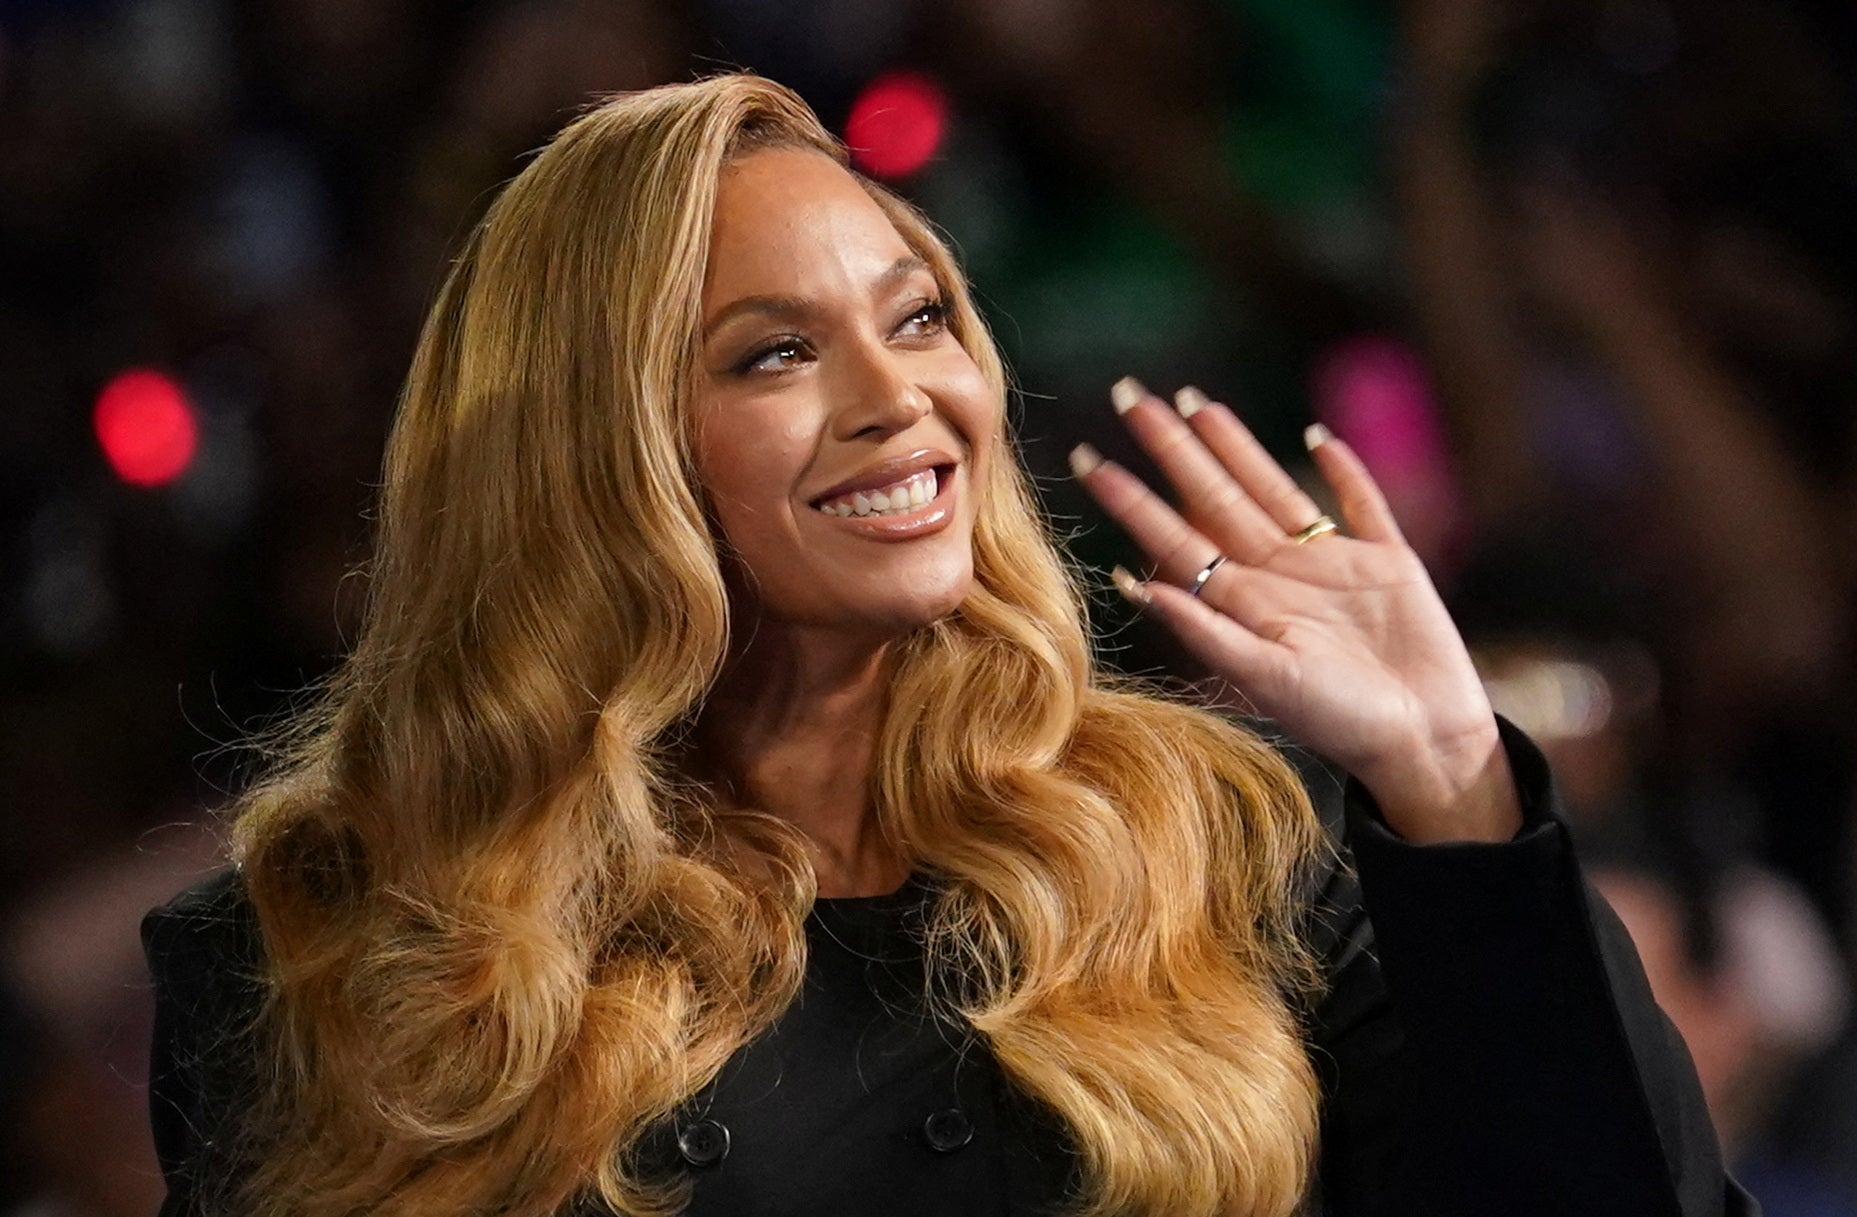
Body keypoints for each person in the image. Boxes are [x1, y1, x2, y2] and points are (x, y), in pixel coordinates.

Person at [142, 74, 1756, 1217]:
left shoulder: (1220, 848)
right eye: (775, 352)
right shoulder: (325, 946)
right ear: (593, 454)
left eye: (918, 317)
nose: (902, 395)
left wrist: (1446, 774)